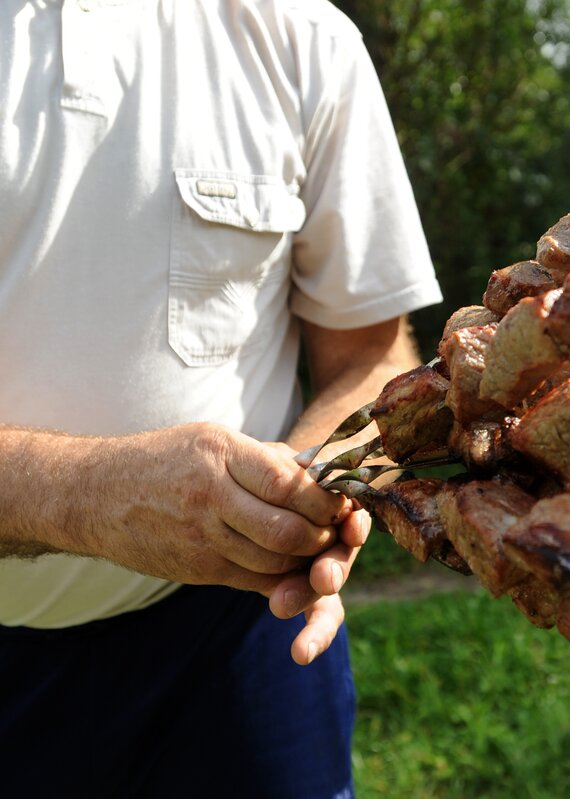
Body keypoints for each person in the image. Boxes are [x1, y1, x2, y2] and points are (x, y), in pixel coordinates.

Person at [0, 1, 442, 795]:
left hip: (244, 640)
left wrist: (306, 495)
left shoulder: (303, 38)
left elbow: (376, 358)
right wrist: (83, 494)